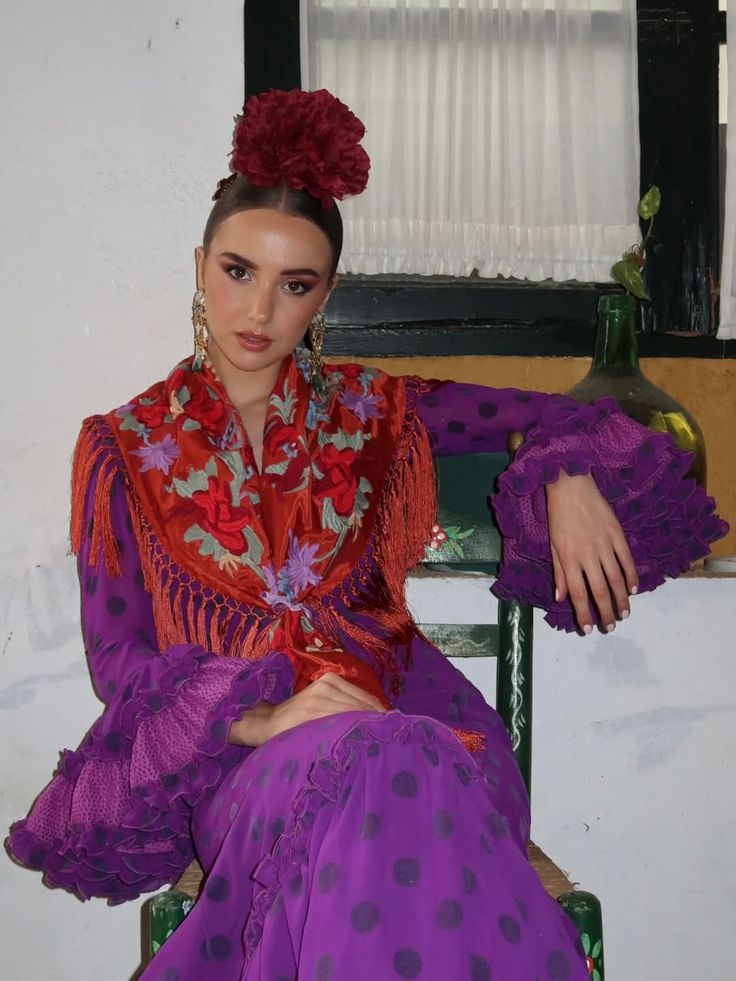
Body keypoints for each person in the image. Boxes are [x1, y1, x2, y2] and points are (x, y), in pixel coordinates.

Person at [7, 88, 727, 981]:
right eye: (238, 270)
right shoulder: (123, 446)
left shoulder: (375, 409)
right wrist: (260, 716)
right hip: (258, 769)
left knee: (402, 752)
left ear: (327, 294)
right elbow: (120, 662)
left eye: (294, 284)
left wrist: (566, 468)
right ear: (200, 266)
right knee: (379, 767)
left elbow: (555, 413)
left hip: (433, 735)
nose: (259, 310)